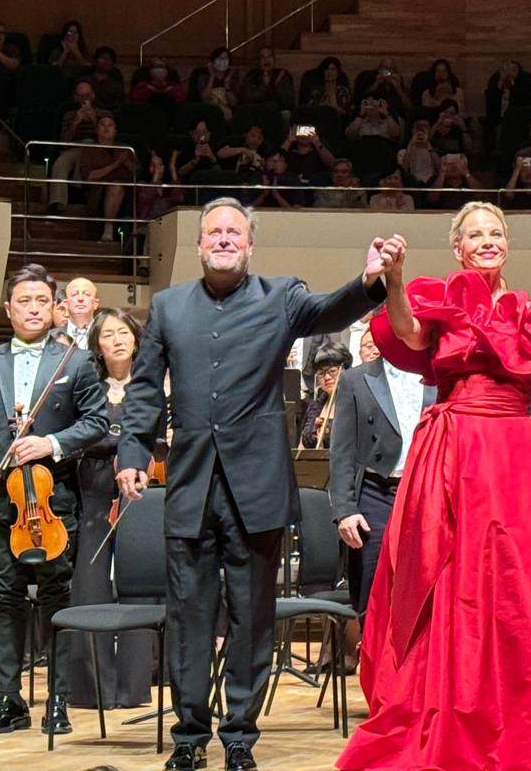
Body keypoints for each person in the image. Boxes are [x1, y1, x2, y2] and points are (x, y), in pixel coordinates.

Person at [337, 203, 531, 771]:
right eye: (474, 234)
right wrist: (396, 280)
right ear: (457, 247)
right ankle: (451, 712)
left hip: (516, 457)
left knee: (524, 590)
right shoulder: (441, 300)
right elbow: (406, 330)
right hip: (452, 457)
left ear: (509, 243)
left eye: (495, 233)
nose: (486, 241)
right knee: (451, 582)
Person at [116, 198, 392, 771]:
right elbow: (144, 388)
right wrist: (133, 451)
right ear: (197, 245)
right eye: (212, 232)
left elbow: (330, 311)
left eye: (233, 232)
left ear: (249, 244)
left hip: (258, 487)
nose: (222, 239)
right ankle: (189, 736)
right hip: (191, 485)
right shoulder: (167, 307)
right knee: (190, 617)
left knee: (250, 619)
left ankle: (239, 734)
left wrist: (368, 281)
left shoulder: (281, 297)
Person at [0, 265, 108, 736]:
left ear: (55, 307)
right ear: (8, 308)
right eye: (24, 301)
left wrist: (52, 443)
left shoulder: (75, 362)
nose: (33, 309)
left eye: (42, 301)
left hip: (54, 499)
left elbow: (97, 422)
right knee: (5, 598)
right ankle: (9, 700)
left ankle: (57, 700)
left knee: (56, 597)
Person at [69, 307, 161, 710]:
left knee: (137, 585)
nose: (117, 340)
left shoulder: (153, 385)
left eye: (124, 332)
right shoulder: (85, 388)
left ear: (137, 339)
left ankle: (133, 687)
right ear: (97, 346)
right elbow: (79, 438)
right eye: (108, 334)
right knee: (90, 585)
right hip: (93, 490)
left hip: (140, 493)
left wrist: (115, 440)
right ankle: (93, 689)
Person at [330, 329, 434, 614]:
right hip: (376, 492)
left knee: (427, 588)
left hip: (426, 494)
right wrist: (345, 509)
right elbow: (342, 451)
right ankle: (370, 656)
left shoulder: (439, 374)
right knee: (373, 588)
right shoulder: (355, 379)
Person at [298, 346, 349, 450]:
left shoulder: (354, 404)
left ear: (345, 370)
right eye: (321, 373)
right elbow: (302, 446)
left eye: (332, 371)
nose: (327, 377)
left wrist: (329, 434)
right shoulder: (314, 406)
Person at [52, 276, 100, 347]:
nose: (80, 298)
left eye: (87, 294)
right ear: (66, 303)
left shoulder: (105, 334)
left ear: (96, 303)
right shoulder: (51, 337)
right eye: (74, 294)